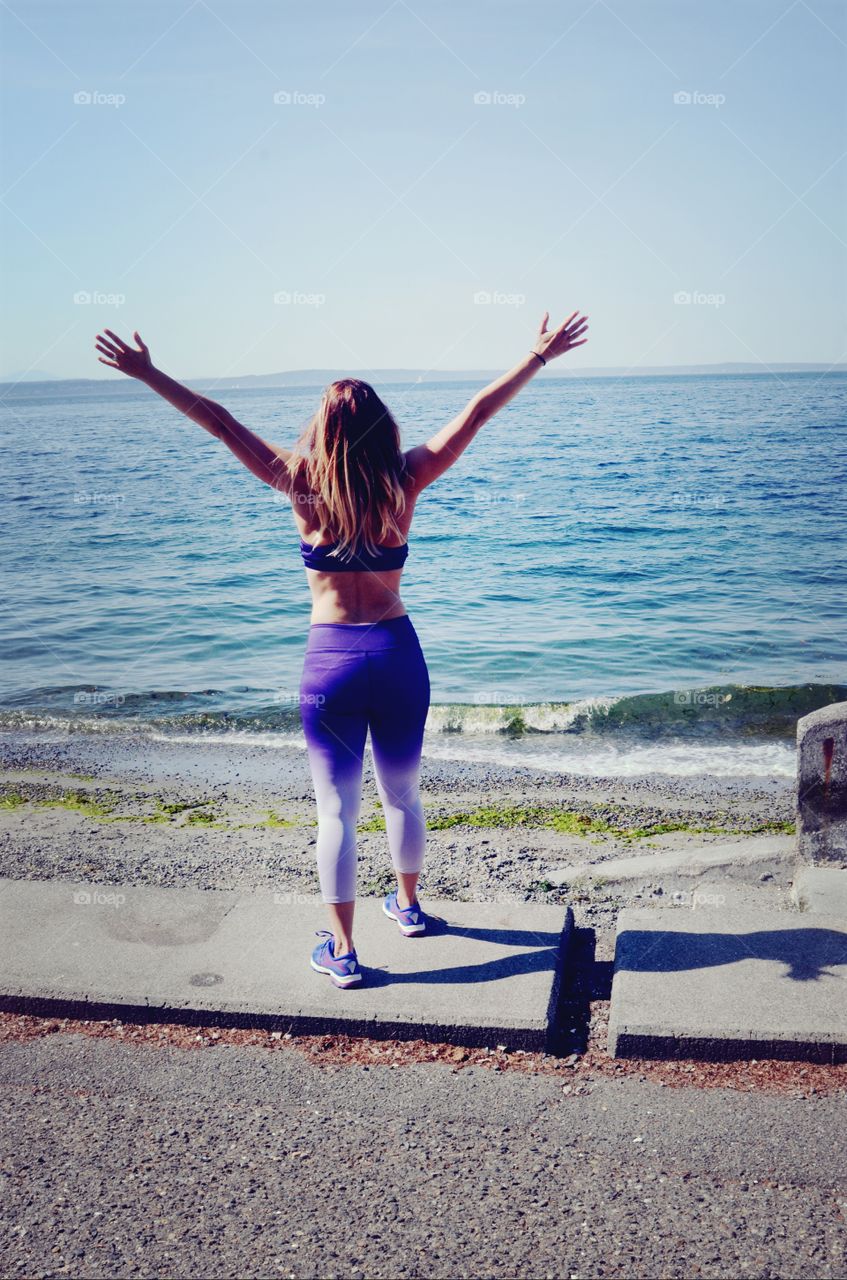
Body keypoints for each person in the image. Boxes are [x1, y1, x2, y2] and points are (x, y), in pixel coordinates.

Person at [94, 310, 589, 987]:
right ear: (383, 428)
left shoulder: (298, 482)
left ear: (323, 432)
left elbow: (218, 422)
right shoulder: (404, 480)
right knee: (403, 795)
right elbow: (473, 414)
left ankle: (345, 951)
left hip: (329, 662)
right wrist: (535, 357)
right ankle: (409, 908)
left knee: (336, 812)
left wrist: (147, 372)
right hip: (395, 654)